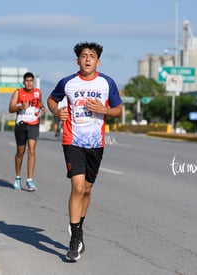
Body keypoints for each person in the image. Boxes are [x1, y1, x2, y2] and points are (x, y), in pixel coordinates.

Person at [47, 42, 122, 262]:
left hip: (96, 144)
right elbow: (52, 99)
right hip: (72, 140)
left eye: (92, 56)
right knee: (77, 188)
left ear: (98, 61)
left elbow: (118, 109)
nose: (87, 59)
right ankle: (75, 238)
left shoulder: (107, 83)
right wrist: (56, 111)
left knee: (87, 190)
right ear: (77, 60)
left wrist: (104, 110)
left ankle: (78, 225)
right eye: (83, 56)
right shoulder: (68, 82)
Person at [8, 72, 46, 191]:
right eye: (27, 81)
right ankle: (18, 177)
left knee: (32, 150)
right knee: (20, 152)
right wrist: (20, 107)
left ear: (33, 82)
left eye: (31, 81)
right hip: (21, 125)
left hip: (34, 124)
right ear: (24, 82)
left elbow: (39, 103)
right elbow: (10, 109)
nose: (29, 83)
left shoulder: (37, 92)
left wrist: (42, 107)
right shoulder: (18, 92)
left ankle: (30, 180)